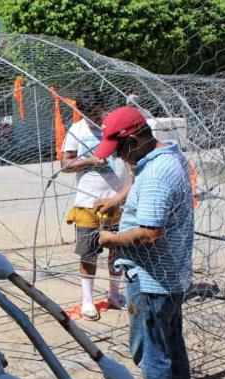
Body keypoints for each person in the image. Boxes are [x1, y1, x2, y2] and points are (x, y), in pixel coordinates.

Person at [93, 106, 196, 379]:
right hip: (172, 274)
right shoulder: (167, 154)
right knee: (170, 342)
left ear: (135, 138)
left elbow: (150, 234)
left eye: (120, 149)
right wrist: (119, 200)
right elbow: (139, 180)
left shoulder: (156, 174)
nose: (119, 157)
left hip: (152, 278)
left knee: (149, 347)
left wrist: (108, 239)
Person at [61, 89, 131, 321]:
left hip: (117, 198)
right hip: (88, 201)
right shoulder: (77, 130)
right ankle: (88, 301)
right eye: (88, 113)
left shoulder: (115, 126)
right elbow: (65, 163)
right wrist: (91, 161)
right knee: (88, 252)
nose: (94, 117)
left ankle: (114, 294)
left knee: (118, 250)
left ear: (104, 107)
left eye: (97, 112)